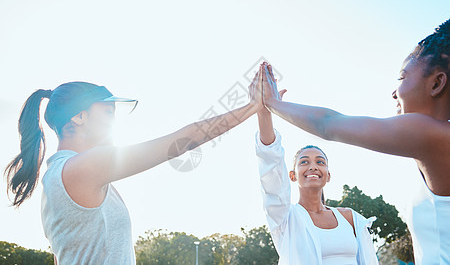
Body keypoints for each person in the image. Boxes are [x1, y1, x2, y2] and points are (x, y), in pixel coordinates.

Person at [5, 73, 264, 264]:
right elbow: (182, 142)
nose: (113, 121)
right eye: (107, 112)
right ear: (78, 116)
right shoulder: (83, 168)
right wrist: (253, 107)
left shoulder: (61, 176)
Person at [260, 18, 450, 264]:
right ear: (293, 174)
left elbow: (328, 123)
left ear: (437, 83)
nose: (394, 92)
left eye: (402, 78)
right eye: (304, 162)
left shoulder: (433, 136)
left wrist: (273, 103)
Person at [255, 92, 378, 265]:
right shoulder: (285, 219)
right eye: (304, 162)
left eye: (320, 162)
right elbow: (271, 170)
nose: (313, 166)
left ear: (328, 175)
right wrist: (264, 112)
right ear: (292, 175)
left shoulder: (350, 218)